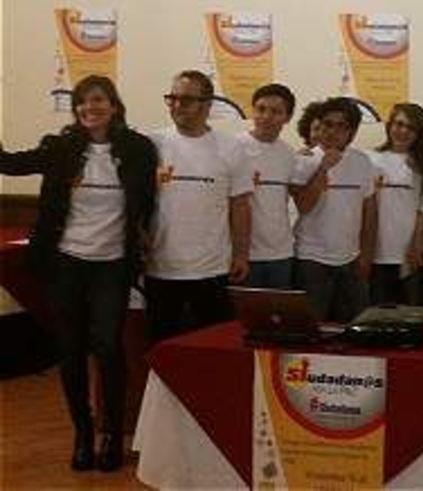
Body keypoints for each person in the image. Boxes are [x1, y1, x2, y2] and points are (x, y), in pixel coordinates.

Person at [0, 75, 157, 472]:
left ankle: (111, 435)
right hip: (66, 262)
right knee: (69, 350)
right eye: (83, 101)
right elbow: (10, 164)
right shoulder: (61, 147)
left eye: (98, 99)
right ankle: (83, 434)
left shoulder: (138, 149)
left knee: (107, 346)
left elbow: (150, 201)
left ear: (114, 105)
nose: (90, 107)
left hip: (113, 264)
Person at [145, 70, 252, 343]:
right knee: (162, 349)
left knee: (214, 347)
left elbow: (240, 205)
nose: (177, 105)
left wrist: (241, 254)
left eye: (186, 99)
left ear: (207, 104)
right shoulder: (151, 144)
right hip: (161, 268)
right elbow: (137, 202)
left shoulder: (231, 148)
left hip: (212, 270)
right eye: (172, 98)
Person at [290, 97, 378, 322]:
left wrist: (367, 255)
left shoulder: (362, 161)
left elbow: (369, 211)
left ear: (352, 132)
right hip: (311, 259)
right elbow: (303, 206)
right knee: (312, 326)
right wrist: (323, 168)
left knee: (355, 324)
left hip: (350, 258)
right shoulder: (303, 161)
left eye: (341, 126)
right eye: (328, 124)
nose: (333, 131)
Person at [368, 103, 423, 305]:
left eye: (411, 127)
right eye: (399, 124)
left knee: (410, 311)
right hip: (376, 250)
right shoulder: (371, 158)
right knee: (378, 313)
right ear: (389, 125)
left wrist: (417, 243)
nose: (403, 131)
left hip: (409, 251)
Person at [238, 83, 298, 289]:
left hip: (281, 253)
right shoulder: (234, 147)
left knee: (278, 309)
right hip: (244, 254)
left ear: (287, 117)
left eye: (275, 111)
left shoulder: (289, 154)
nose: (266, 116)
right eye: (261, 109)